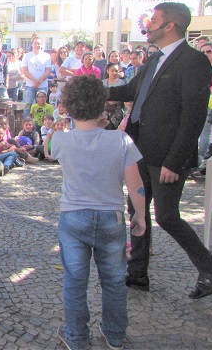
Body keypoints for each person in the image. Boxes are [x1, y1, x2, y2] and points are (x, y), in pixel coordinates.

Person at [109, 2, 212, 299]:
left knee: (167, 216)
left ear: (169, 26)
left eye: (153, 20)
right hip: (139, 150)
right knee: (136, 211)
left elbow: (193, 118)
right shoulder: (153, 60)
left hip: (167, 156)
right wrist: (91, 89)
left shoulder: (193, 61)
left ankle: (209, 268)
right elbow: (130, 91)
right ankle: (137, 274)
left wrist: (174, 161)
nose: (147, 24)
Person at [52, 75, 146, 350]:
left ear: (68, 107)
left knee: (75, 281)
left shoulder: (60, 140)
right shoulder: (121, 140)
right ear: (103, 105)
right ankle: (115, 335)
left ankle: (77, 337)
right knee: (115, 281)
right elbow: (135, 184)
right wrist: (140, 217)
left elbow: (49, 149)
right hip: (111, 219)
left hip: (73, 218)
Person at [21, 37, 51, 118]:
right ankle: (26, 125)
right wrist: (35, 81)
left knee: (42, 107)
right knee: (27, 107)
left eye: (39, 43)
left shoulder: (47, 56)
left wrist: (39, 82)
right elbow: (24, 71)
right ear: (32, 44)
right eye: (35, 43)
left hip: (43, 86)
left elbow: (48, 71)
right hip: (29, 86)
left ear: (41, 45)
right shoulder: (27, 56)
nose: (37, 45)